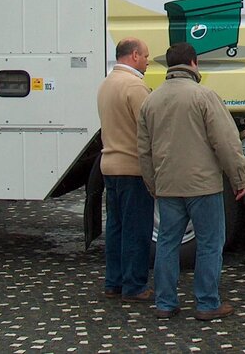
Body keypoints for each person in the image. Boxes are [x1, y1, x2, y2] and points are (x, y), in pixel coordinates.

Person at [137, 42, 245, 321]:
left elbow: (144, 150)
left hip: (168, 185)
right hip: (203, 187)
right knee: (210, 243)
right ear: (194, 63)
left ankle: (164, 303)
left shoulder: (150, 101)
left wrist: (154, 185)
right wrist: (238, 178)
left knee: (167, 243)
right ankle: (207, 303)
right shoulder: (204, 96)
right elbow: (225, 142)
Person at [97, 37, 154, 301]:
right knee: (136, 229)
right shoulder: (135, 87)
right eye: (145, 56)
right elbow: (149, 128)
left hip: (109, 165)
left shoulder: (106, 84)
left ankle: (113, 282)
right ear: (133, 56)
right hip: (132, 168)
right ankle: (134, 286)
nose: (147, 61)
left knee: (116, 228)